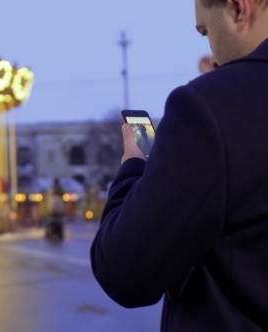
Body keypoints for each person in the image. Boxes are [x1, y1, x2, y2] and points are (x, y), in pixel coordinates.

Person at [90, 0, 268, 330]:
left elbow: (124, 271)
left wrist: (133, 165)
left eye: (205, 32)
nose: (212, 57)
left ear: (239, 10)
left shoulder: (211, 107)